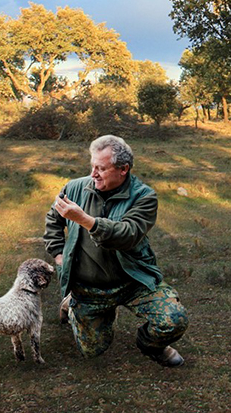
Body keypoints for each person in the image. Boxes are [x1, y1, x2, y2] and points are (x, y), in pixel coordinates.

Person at [44, 134, 189, 367]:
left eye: (101, 168)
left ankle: (152, 346)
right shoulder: (74, 187)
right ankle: (72, 303)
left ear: (123, 169)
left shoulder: (144, 196)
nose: (93, 174)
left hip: (133, 280)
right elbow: (53, 219)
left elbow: (128, 234)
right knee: (93, 350)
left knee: (173, 320)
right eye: (92, 166)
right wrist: (59, 255)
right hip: (89, 287)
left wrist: (86, 220)